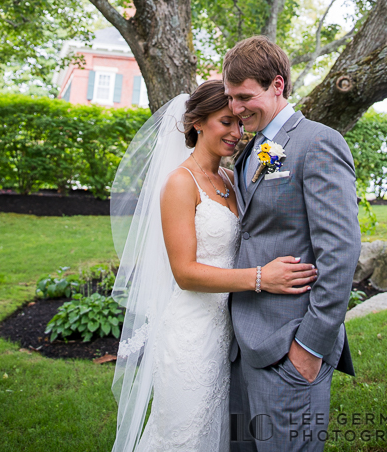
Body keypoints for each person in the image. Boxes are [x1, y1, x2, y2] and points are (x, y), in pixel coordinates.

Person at [110, 80, 317, 452]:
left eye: (240, 123)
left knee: (223, 434)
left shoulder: (229, 177)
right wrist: (260, 278)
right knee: (184, 434)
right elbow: (185, 273)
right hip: (191, 333)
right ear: (197, 123)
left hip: (232, 333)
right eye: (226, 122)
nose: (238, 133)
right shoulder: (179, 183)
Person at [223, 35, 361, 452]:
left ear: (277, 85)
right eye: (230, 98)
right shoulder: (254, 150)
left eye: (244, 96)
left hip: (290, 349)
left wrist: (309, 346)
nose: (235, 109)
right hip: (244, 344)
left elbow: (340, 252)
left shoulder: (318, 142)